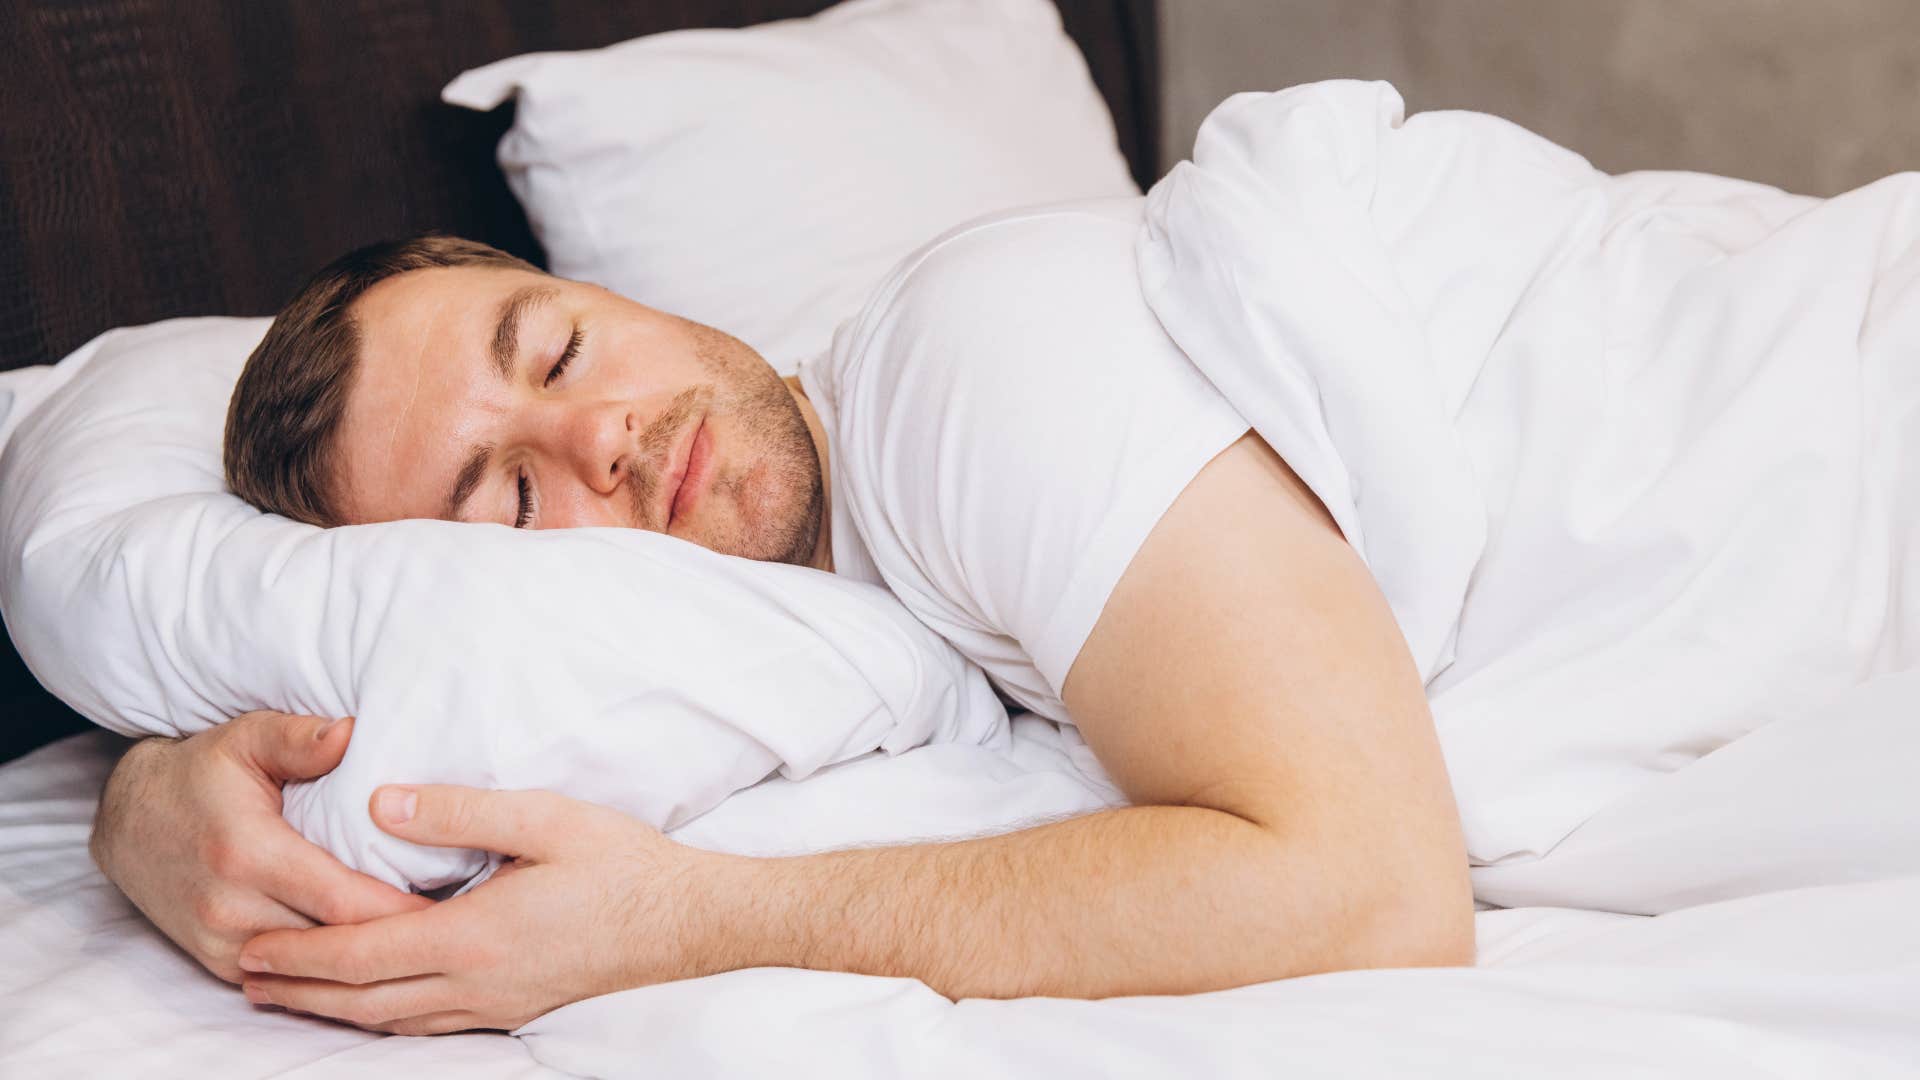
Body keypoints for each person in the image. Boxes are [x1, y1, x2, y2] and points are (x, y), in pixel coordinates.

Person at [89, 204, 1473, 1036]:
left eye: (562, 348)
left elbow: (1375, 888)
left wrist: (687, 924)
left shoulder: (972, 363)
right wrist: (141, 795)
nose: (606, 432)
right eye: (511, 499)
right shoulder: (802, 661)